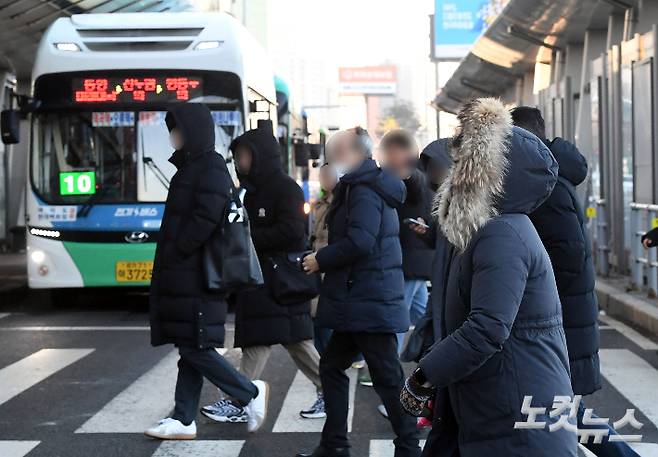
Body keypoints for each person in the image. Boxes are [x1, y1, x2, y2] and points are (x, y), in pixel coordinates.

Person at [401, 98, 578, 457]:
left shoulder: (502, 234)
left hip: (514, 413)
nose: (456, 171)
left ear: (493, 171)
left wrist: (424, 377)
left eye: (467, 160)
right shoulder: (485, 228)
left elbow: (487, 328)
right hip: (496, 403)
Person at [512, 106, 640, 457]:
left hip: (559, 322)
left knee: (560, 415)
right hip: (563, 319)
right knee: (557, 415)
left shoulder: (546, 190)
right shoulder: (548, 179)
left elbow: (566, 260)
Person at [145, 103, 268, 439]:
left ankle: (249, 393)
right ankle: (184, 418)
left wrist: (179, 249)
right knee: (190, 345)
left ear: (193, 132)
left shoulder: (209, 168)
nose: (172, 136)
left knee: (195, 347)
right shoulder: (192, 168)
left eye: (177, 129)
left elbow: (207, 216)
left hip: (197, 275)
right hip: (187, 274)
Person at [298, 127, 420, 457]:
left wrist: (319, 260)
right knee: (335, 366)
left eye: (336, 153)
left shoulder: (364, 190)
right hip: (361, 300)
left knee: (387, 378)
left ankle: (408, 447)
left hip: (368, 301)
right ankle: (334, 444)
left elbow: (361, 242)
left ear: (356, 153)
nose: (331, 159)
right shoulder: (361, 186)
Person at [201, 127, 325, 422]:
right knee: (275, 340)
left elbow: (293, 232)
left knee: (271, 341)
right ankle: (242, 398)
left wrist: (246, 236)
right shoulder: (248, 189)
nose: (238, 162)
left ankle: (239, 399)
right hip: (262, 279)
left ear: (260, 156)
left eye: (242, 155)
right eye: (236, 157)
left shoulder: (285, 188)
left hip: (280, 280)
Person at [380, 129, 433, 352]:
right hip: (417, 260)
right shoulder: (414, 176)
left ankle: (388, 364)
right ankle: (437, 347)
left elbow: (414, 184)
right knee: (421, 312)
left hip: (410, 261)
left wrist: (404, 167)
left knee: (396, 316)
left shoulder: (413, 177)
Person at [309, 163, 338, 357]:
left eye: (327, 176)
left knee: (326, 316)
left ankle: (329, 356)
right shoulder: (319, 203)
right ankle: (323, 356)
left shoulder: (340, 204)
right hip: (315, 263)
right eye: (322, 176)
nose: (323, 179)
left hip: (330, 264)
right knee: (316, 315)